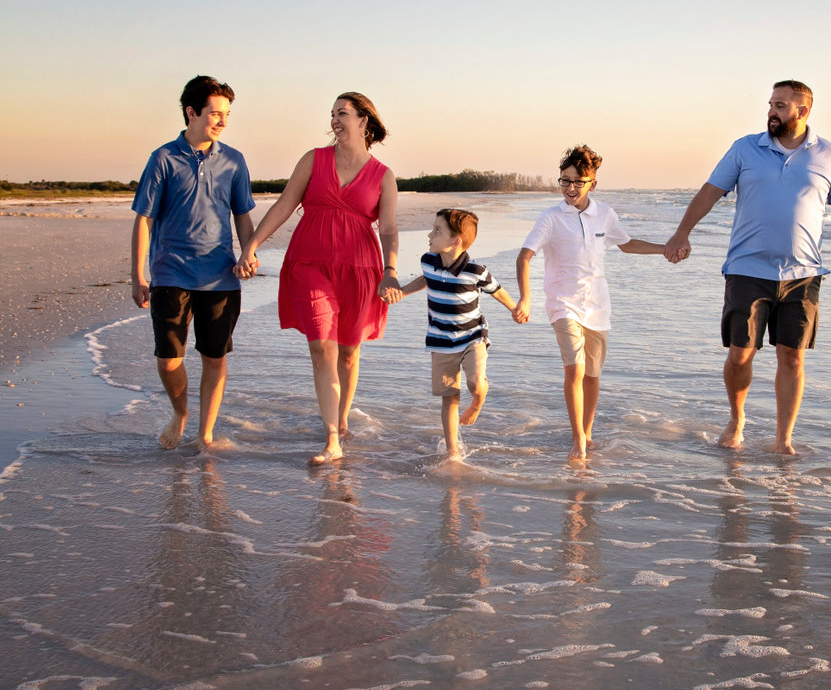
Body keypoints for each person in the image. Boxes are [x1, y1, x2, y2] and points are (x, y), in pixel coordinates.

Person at [663, 79, 831, 455]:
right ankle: (737, 420)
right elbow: (709, 192)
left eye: (781, 105)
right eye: (771, 104)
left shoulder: (830, 156)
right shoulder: (744, 149)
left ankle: (783, 438)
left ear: (803, 111)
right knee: (740, 353)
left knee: (792, 356)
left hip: (803, 275)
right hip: (747, 269)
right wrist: (681, 233)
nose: (772, 111)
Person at [235, 92, 401, 466]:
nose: (335, 121)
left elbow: (388, 229)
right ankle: (331, 439)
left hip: (360, 269)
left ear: (365, 121)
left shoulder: (383, 176)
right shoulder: (314, 159)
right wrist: (252, 246)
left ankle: (341, 420)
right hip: (310, 263)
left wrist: (390, 270)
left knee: (348, 350)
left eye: (343, 113)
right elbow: (284, 205)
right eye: (332, 114)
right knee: (321, 346)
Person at [515, 145, 669, 462]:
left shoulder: (605, 214)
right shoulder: (551, 217)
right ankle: (578, 442)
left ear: (592, 184)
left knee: (592, 375)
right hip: (562, 304)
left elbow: (627, 245)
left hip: (597, 305)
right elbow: (525, 256)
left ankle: (587, 432)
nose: (570, 188)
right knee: (575, 369)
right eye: (564, 181)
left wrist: (664, 249)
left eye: (577, 181)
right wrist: (526, 298)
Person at [131, 75, 256, 450]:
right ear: (191, 112)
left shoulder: (234, 161)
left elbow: (242, 215)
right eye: (215, 113)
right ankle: (180, 412)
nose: (222, 121)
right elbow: (144, 219)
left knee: (214, 356)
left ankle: (205, 434)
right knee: (169, 359)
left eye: (227, 114)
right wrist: (138, 275)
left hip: (220, 277)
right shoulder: (163, 158)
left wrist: (248, 253)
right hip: (170, 273)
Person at [391, 208, 519, 461]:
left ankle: (477, 401)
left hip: (473, 337)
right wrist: (403, 291)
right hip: (440, 341)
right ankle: (453, 452)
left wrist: (516, 308)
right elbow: (426, 279)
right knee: (449, 397)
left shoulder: (476, 271)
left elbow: (498, 291)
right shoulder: (429, 261)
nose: (430, 234)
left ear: (455, 241)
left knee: (474, 382)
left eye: (437, 230)